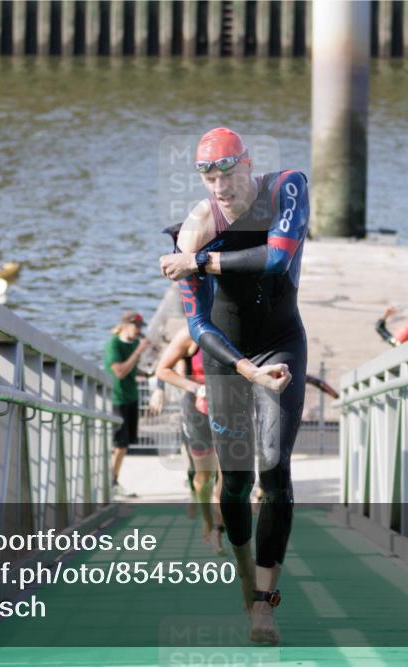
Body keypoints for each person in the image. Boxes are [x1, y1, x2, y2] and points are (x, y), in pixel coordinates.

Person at [158, 127, 309, 645]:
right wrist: (244, 369)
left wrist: (200, 262)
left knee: (275, 467)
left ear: (248, 164)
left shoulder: (287, 187)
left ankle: (265, 602)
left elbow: (277, 258)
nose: (220, 186)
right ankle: (247, 580)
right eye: (208, 176)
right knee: (238, 482)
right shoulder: (196, 228)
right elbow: (199, 328)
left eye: (228, 172)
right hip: (228, 360)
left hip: (282, 341)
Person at [152, 327, 225, 555]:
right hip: (196, 409)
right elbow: (164, 366)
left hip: (228, 408)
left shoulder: (235, 328)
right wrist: (161, 389)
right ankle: (206, 518)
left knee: (225, 476)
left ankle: (217, 531)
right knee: (204, 479)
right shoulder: (191, 333)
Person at [103, 311, 151, 498]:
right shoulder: (113, 344)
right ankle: (112, 482)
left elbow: (131, 368)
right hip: (117, 398)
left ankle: (113, 479)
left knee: (124, 445)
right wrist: (139, 351)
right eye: (136, 326)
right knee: (120, 444)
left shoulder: (134, 344)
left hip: (131, 397)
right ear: (124, 325)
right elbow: (120, 372)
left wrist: (147, 373)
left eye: (140, 327)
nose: (139, 330)